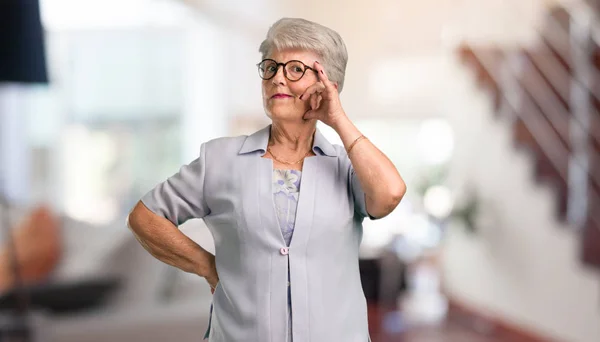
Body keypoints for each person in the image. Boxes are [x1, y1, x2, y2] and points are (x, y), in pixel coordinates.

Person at [127, 17, 406, 342]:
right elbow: (145, 217)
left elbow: (390, 194)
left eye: (295, 70)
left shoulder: (348, 168)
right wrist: (208, 267)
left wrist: (337, 118)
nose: (277, 79)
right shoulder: (219, 160)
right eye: (271, 67)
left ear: (328, 83)